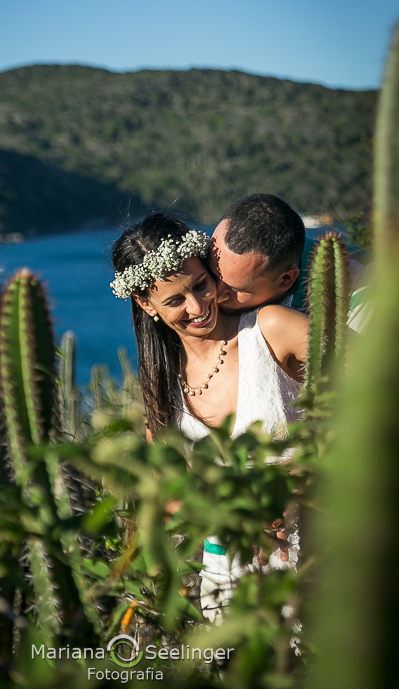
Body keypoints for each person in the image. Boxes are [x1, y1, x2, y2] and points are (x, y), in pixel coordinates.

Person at [111, 212, 308, 623]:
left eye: (201, 284)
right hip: (228, 580)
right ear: (147, 305)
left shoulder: (271, 329)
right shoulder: (162, 386)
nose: (198, 307)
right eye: (175, 300)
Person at [209, 193, 370, 332]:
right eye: (211, 274)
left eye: (234, 290)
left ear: (286, 279)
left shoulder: (362, 290)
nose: (215, 295)